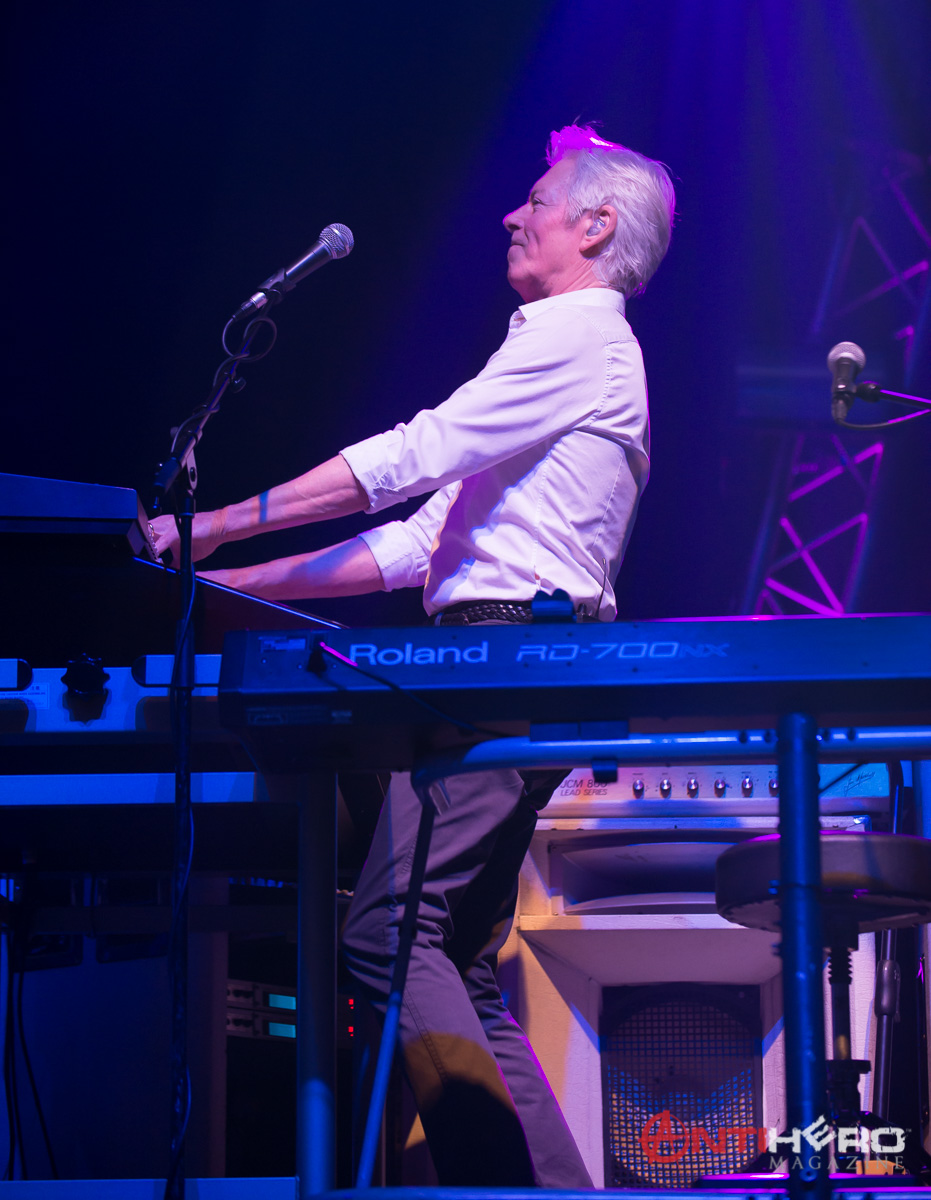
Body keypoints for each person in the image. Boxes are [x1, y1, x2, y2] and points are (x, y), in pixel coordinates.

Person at [151, 123, 675, 1186]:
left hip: (504, 657)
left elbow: (410, 457)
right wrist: (229, 582)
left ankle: (494, 1185)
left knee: (387, 931)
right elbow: (417, 542)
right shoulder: (563, 351)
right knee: (458, 963)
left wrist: (215, 526)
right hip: (507, 660)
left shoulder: (578, 338)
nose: (510, 215)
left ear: (593, 226)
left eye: (534, 200)